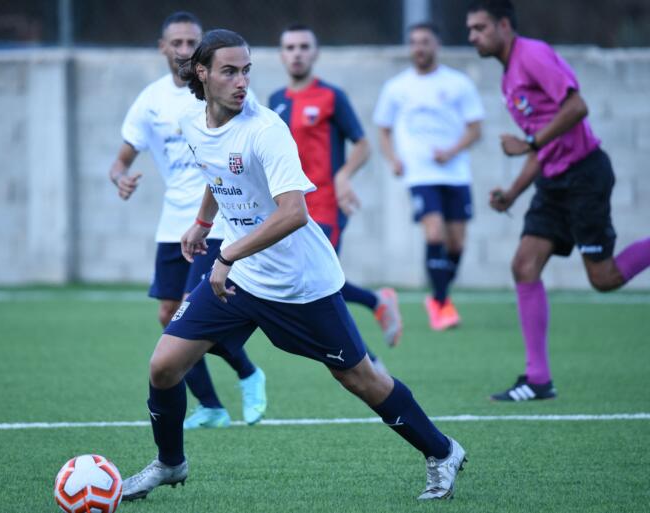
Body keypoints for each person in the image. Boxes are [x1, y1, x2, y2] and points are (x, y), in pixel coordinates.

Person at [121, 28, 466, 503]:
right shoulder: (191, 122)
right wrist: (203, 223)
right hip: (244, 278)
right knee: (164, 366)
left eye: (246, 70)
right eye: (229, 71)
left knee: (359, 377)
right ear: (201, 74)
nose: (241, 81)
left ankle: (442, 450)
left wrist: (224, 254)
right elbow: (215, 170)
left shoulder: (265, 129)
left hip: (300, 283)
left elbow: (293, 212)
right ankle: (170, 463)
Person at [466, 0, 650, 401]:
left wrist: (530, 141)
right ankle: (538, 379)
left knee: (604, 279)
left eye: (479, 28)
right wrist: (513, 192)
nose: (472, 36)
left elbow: (576, 107)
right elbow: (542, 149)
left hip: (584, 175)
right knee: (524, 265)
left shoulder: (532, 55)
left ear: (503, 25)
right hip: (554, 182)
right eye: (470, 29)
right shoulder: (507, 77)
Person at [107, 12, 266, 426]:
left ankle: (249, 373)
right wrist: (121, 179)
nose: (181, 49)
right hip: (171, 226)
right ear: (162, 47)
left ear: (201, 53)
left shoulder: (225, 93)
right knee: (168, 316)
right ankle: (212, 406)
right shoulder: (151, 101)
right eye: (174, 42)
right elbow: (120, 161)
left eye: (189, 42)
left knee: (195, 313)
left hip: (215, 223)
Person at [269, 24, 403, 348]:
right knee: (311, 282)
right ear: (281, 55)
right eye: (290, 47)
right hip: (290, 206)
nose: (297, 53)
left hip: (326, 203)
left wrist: (343, 176)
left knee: (320, 280)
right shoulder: (275, 100)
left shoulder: (332, 96)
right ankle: (376, 303)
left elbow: (363, 144)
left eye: (304, 47)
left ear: (314, 53)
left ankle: (367, 361)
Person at [374, 22, 484, 331]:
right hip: (420, 174)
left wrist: (451, 151)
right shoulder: (397, 87)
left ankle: (439, 296)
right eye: (414, 42)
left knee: (457, 243)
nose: (419, 48)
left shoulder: (458, 83)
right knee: (434, 232)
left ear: (437, 44)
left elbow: (476, 128)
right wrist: (393, 158)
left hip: (456, 173)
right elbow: (383, 128)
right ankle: (439, 303)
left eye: (425, 41)